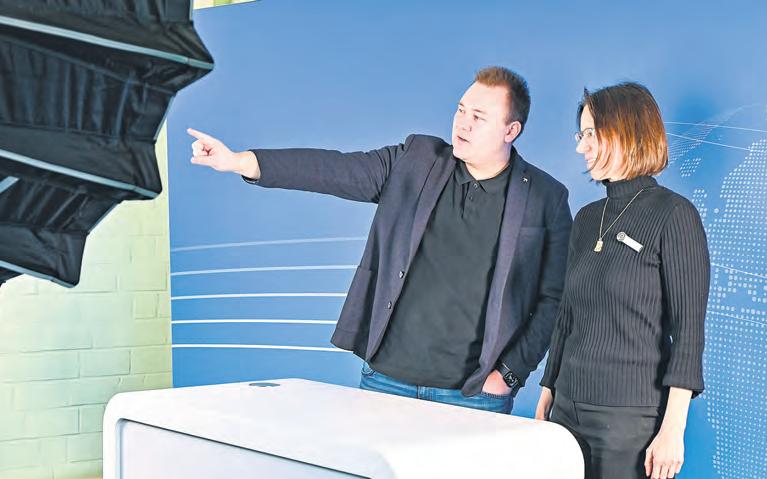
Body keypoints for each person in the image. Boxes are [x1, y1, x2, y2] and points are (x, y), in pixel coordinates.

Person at [189, 66, 572, 414]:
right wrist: (241, 161)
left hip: (473, 394)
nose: (463, 124)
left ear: (510, 130)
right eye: (461, 110)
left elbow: (553, 298)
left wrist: (508, 374)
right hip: (387, 382)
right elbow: (333, 169)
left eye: (479, 117)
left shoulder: (545, 197)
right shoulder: (417, 160)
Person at [535, 82, 709, 479]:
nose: (580, 145)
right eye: (580, 132)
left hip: (632, 426)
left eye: (590, 133)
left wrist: (673, 426)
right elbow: (567, 318)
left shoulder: (673, 216)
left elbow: (688, 332)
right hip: (570, 420)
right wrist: (547, 394)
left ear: (626, 133)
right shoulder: (588, 220)